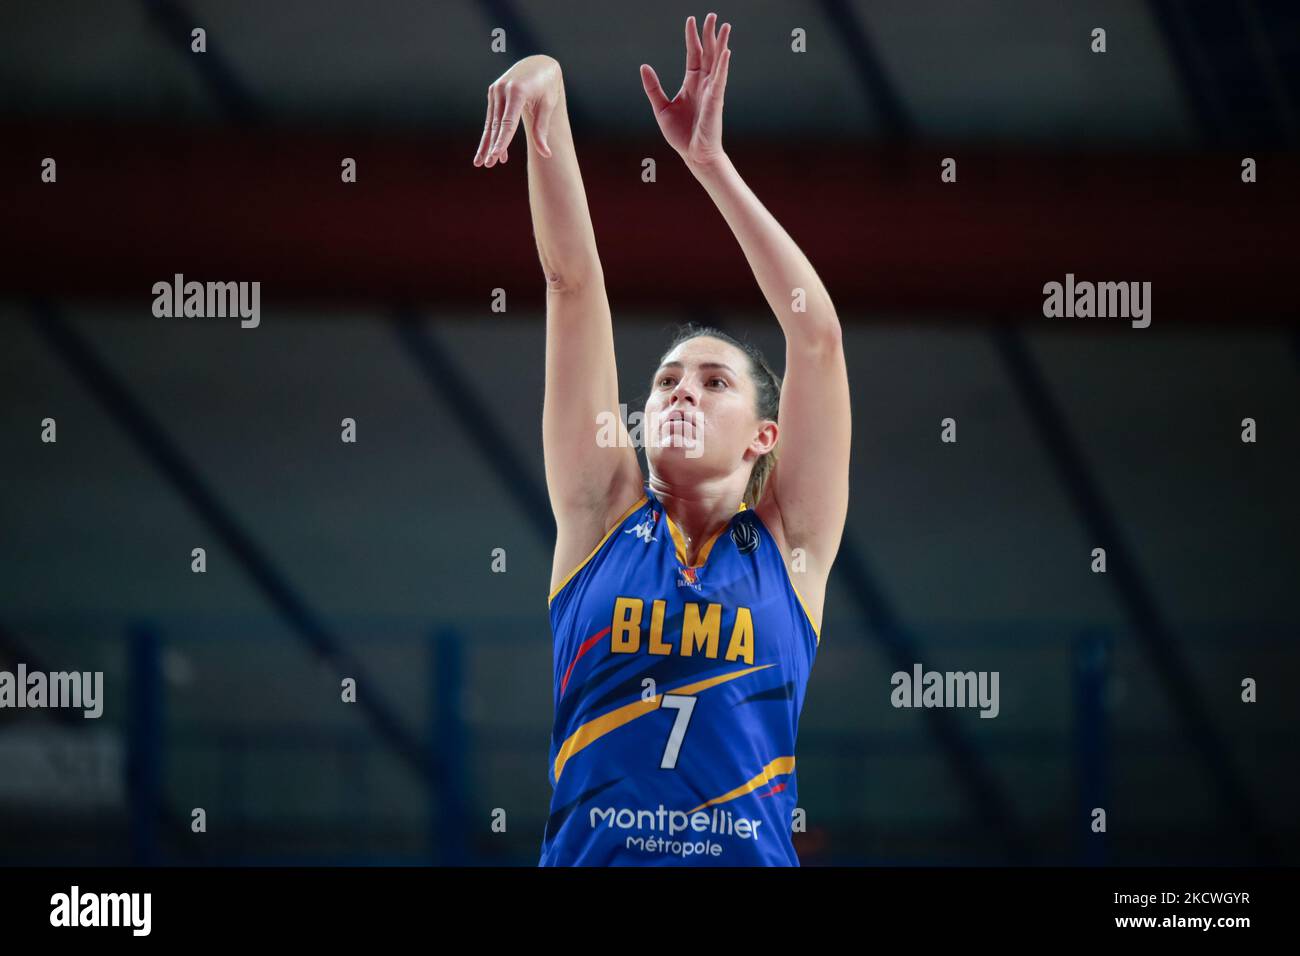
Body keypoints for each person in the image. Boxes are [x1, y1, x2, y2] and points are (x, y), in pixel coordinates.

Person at [473, 12, 850, 866]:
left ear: (765, 436)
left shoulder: (790, 546)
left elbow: (816, 339)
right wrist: (549, 99)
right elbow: (572, 284)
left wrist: (708, 163)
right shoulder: (602, 513)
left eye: (714, 382)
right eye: (667, 380)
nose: (682, 389)